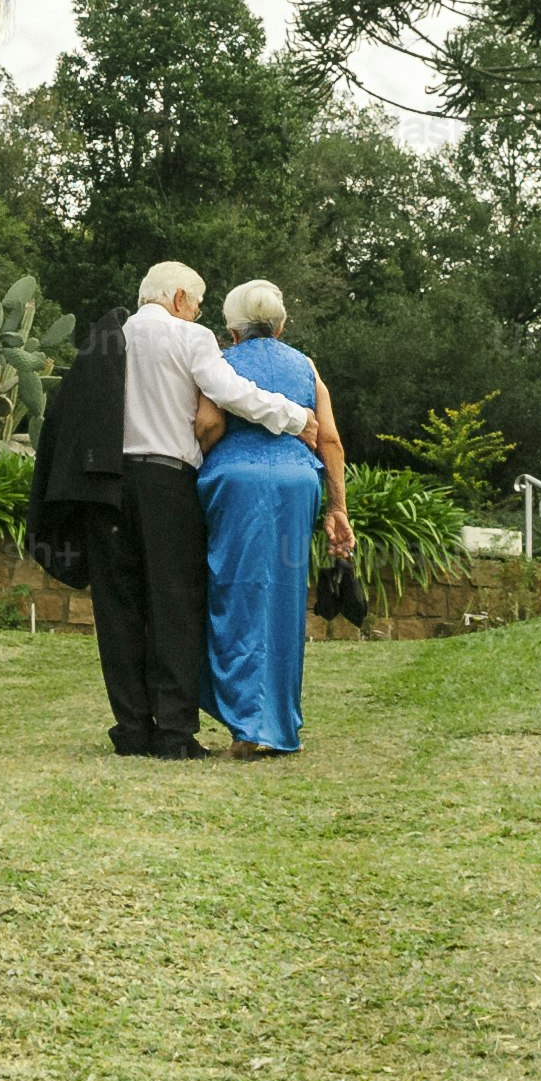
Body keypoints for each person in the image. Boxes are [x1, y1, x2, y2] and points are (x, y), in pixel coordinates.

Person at [50, 260, 319, 758]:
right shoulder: (190, 338)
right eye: (195, 304)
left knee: (119, 609)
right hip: (166, 484)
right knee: (175, 605)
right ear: (178, 300)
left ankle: (131, 729)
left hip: (106, 485)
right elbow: (232, 394)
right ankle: (174, 734)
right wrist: (295, 415)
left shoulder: (107, 338)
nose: (198, 315)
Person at [195, 277, 353, 758]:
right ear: (280, 326)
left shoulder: (222, 362)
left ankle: (245, 727)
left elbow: (207, 423)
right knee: (283, 598)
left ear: (232, 328)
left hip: (236, 484)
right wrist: (338, 508)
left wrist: (208, 455)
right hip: (293, 484)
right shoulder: (305, 365)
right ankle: (281, 724)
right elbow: (329, 440)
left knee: (234, 592)